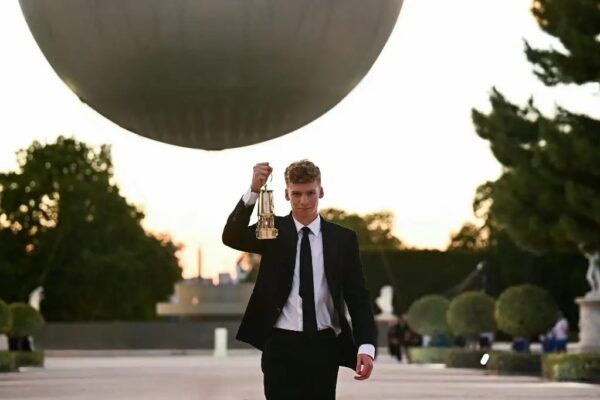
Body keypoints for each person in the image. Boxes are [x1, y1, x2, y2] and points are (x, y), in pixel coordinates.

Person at [222, 160, 377, 400]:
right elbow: (231, 236)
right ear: (286, 194)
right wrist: (253, 190)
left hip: (324, 346)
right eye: (296, 194)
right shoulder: (271, 230)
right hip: (280, 344)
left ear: (321, 192)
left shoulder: (343, 239)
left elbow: (358, 297)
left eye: (310, 193)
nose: (303, 201)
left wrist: (366, 345)